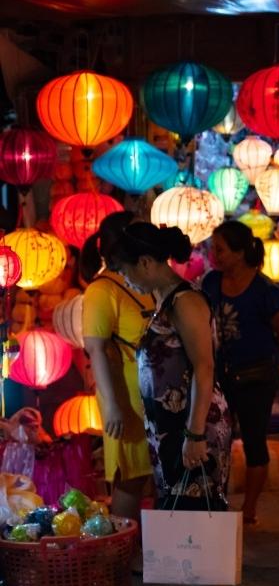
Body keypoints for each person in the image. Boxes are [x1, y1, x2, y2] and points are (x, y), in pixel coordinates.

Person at [109, 221, 233, 586]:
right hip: (170, 427)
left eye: (125, 270)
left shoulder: (186, 301)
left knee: (196, 509)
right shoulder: (164, 300)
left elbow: (203, 367)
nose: (125, 278)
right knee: (190, 504)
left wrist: (195, 433)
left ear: (146, 262)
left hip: (192, 425)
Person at [202, 221, 279, 527]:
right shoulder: (211, 283)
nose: (214, 255)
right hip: (219, 375)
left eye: (220, 249)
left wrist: (272, 365)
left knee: (254, 441)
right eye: (213, 249)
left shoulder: (266, 290)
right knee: (217, 441)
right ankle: (218, 501)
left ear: (240, 253)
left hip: (256, 377)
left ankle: (249, 508)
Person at [80, 212, 155, 530]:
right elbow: (96, 348)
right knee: (130, 475)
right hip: (124, 392)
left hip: (155, 391)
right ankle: (124, 553)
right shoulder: (101, 290)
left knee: (153, 472)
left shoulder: (145, 281)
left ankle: (155, 550)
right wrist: (111, 405)